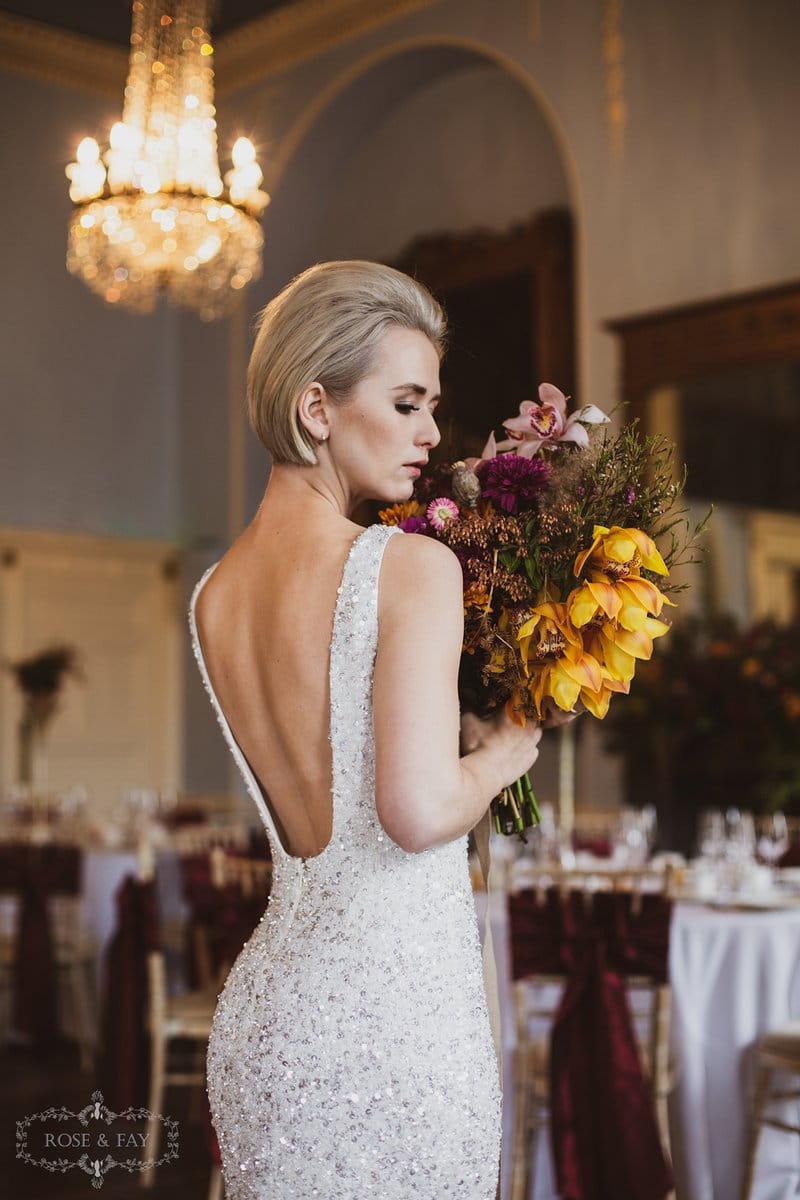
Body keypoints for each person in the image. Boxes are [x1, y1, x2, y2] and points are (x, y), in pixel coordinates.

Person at [189, 260, 544, 1199]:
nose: (433, 433)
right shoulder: (411, 565)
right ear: (317, 408)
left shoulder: (212, 596)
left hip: (270, 1025)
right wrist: (504, 754)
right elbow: (417, 812)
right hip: (394, 1033)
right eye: (408, 402)